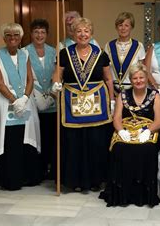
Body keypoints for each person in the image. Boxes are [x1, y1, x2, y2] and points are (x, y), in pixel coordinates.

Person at [53, 17, 115, 192]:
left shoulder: (101, 53)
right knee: (74, 143)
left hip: (97, 103)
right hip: (71, 103)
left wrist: (111, 100)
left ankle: (95, 180)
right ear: (73, 34)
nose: (83, 34)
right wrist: (56, 83)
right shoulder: (64, 54)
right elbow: (57, 75)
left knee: (95, 142)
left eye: (86, 31)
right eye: (79, 31)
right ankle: (75, 180)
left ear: (91, 33)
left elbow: (108, 79)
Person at [100, 62, 160, 207]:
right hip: (126, 129)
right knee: (120, 148)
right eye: (135, 78)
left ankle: (142, 195)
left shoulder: (155, 95)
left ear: (146, 78)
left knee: (146, 148)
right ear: (131, 80)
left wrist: (148, 131)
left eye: (141, 77)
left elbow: (159, 121)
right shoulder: (123, 94)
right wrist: (121, 131)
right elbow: (116, 117)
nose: (138, 81)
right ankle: (122, 195)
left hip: (149, 130)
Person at [0, 23, 42, 190]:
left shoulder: (24, 54)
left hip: (25, 103)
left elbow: (29, 79)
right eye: (8, 35)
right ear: (3, 38)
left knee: (25, 139)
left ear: (20, 38)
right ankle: (9, 180)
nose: (12, 38)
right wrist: (14, 100)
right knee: (9, 140)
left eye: (16, 35)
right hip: (7, 103)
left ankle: (28, 177)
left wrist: (25, 97)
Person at [23, 19, 57, 180]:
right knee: (36, 136)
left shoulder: (54, 52)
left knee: (51, 136)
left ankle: (51, 168)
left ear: (47, 34)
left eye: (43, 32)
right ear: (31, 34)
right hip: (32, 99)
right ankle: (38, 170)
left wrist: (51, 93)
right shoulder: (24, 52)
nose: (39, 35)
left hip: (52, 100)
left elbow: (57, 74)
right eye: (36, 32)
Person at [104, 12, 146, 96]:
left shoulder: (138, 46)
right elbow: (106, 73)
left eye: (126, 25)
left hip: (133, 91)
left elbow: (142, 72)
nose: (123, 28)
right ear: (116, 27)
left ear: (131, 27)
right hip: (112, 92)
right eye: (120, 25)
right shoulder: (109, 46)